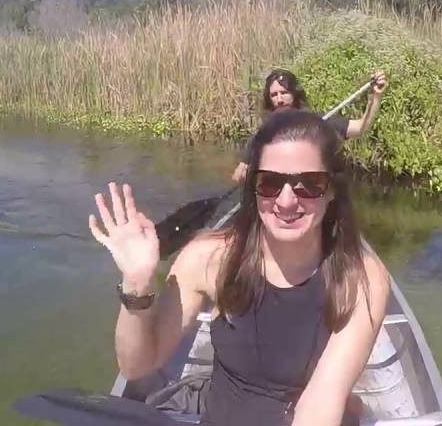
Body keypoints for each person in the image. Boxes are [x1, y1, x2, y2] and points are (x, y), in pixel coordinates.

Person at [88, 109, 391, 426]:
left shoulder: (361, 280)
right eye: (270, 183)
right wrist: (137, 283)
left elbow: (320, 404)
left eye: (308, 184)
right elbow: (137, 366)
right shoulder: (208, 258)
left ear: (331, 191)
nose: (286, 201)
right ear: (254, 188)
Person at [231, 69, 388, 184]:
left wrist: (376, 96)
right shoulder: (263, 134)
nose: (279, 99)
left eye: (284, 93)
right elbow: (238, 176)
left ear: (294, 94)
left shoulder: (316, 122)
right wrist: (246, 174)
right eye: (274, 95)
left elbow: (361, 127)